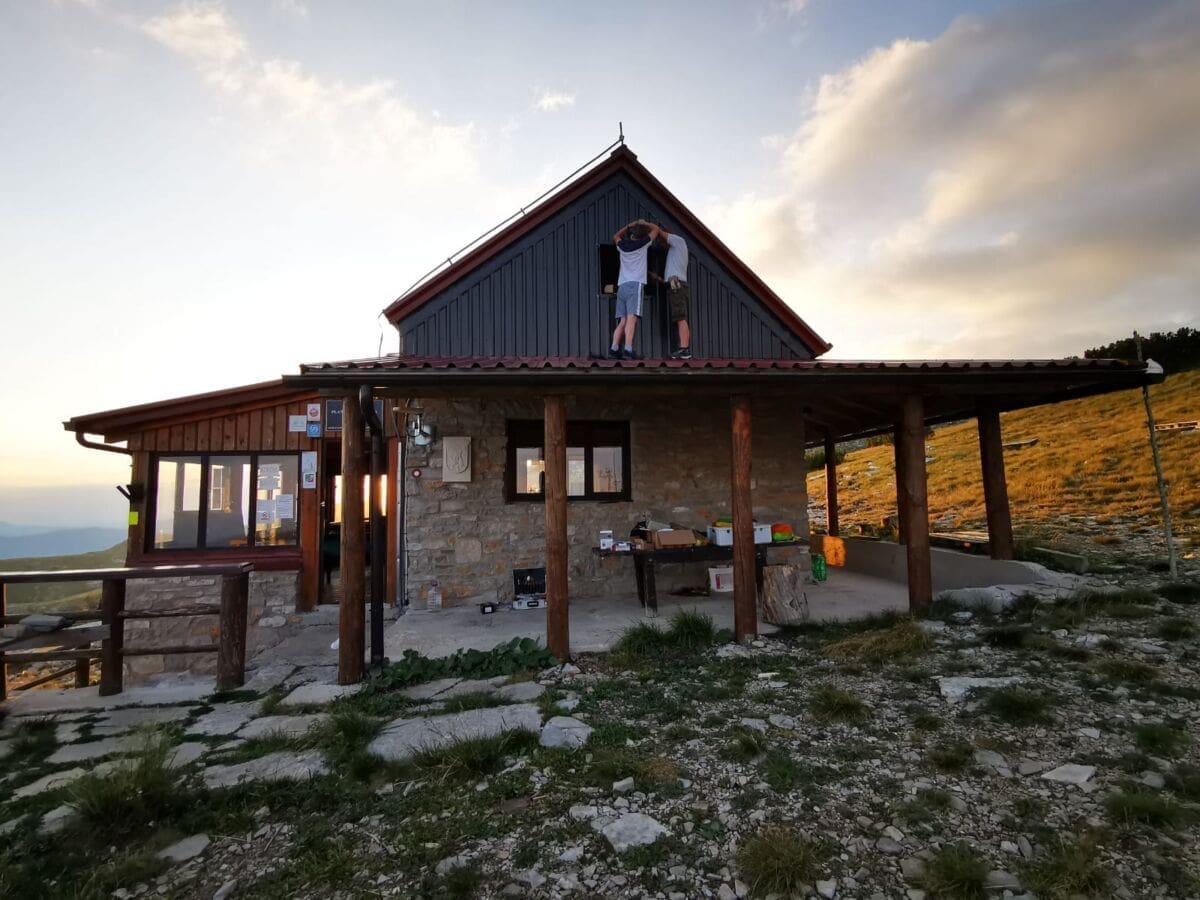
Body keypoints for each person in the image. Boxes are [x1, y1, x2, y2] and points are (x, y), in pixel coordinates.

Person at [610, 218, 660, 359]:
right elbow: (656, 230)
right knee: (632, 319)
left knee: (623, 321)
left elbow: (616, 236)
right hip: (635, 285)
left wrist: (629, 225)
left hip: (622, 286)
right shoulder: (643, 244)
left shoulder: (622, 246)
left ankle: (614, 348)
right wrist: (645, 223)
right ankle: (628, 349)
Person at [658, 226, 692, 358]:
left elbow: (658, 231)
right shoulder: (675, 250)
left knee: (680, 316)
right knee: (679, 316)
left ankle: (684, 349)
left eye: (662, 241)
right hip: (674, 283)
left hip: (676, 283)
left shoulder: (678, 241)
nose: (662, 245)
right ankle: (684, 348)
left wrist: (646, 226)